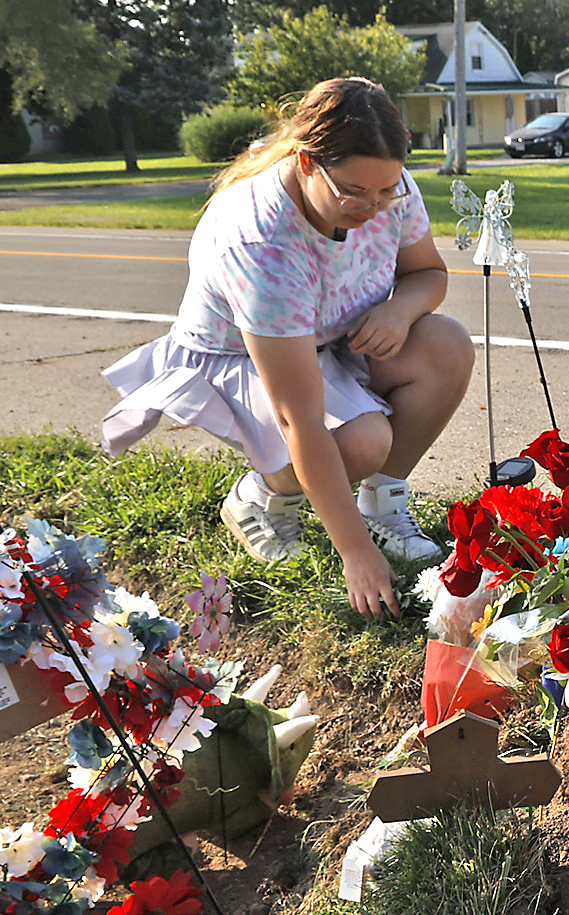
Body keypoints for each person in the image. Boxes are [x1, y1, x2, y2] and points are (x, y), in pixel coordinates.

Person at [101, 77, 474, 619]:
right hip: (243, 359)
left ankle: (380, 503)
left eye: (386, 190)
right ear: (305, 163)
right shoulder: (261, 243)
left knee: (447, 343)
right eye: (353, 192)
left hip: (331, 336)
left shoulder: (385, 186)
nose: (373, 207)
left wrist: (399, 309)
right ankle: (264, 496)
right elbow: (299, 416)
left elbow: (427, 275)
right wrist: (355, 554)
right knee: (364, 439)